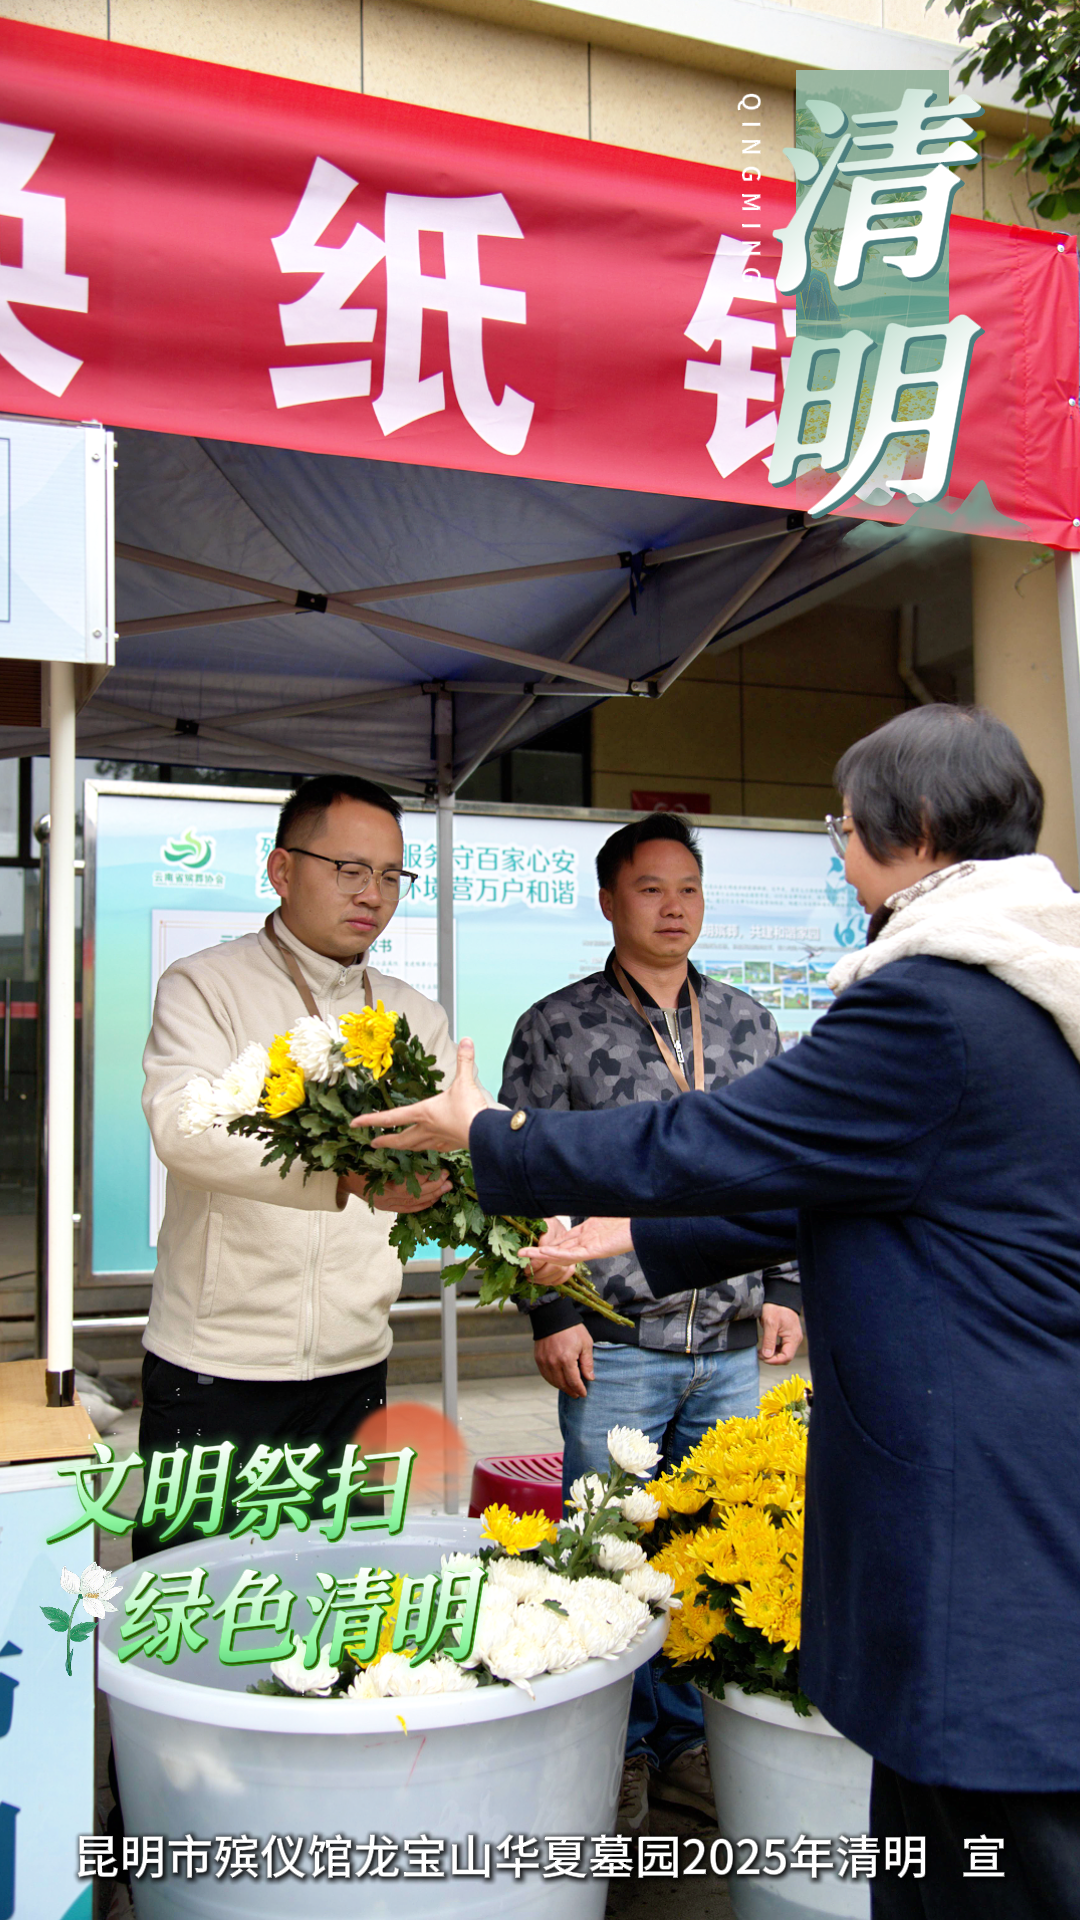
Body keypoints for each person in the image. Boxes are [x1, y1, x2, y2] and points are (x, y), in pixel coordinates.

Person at [356, 706, 1080, 1920]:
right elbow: (829, 1194)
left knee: (1000, 1829)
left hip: (977, 1500)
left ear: (911, 830)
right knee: (947, 1812)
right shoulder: (1024, 979)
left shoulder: (938, 1005)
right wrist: (631, 1238)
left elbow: (726, 1140)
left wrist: (491, 1140)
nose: (839, 858)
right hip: (995, 1465)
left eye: (841, 831)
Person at [500, 811, 803, 1830]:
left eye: (689, 887)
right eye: (650, 888)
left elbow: (783, 1173)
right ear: (608, 900)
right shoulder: (557, 1025)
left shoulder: (752, 1023)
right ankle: (613, 1759)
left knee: (706, 1557)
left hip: (725, 1344)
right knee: (602, 1558)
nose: (673, 907)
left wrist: (788, 1290)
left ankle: (685, 1749)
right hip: (613, 1344)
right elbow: (520, 1184)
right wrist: (549, 1309)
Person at [138, 772, 454, 1541]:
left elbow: (449, 1147)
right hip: (218, 1366)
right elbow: (183, 1129)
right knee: (193, 1611)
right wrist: (341, 1176)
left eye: (389, 876)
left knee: (334, 1615)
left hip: (355, 1363)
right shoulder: (206, 986)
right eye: (348, 870)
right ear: (282, 870)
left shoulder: (413, 1015)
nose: (371, 894)